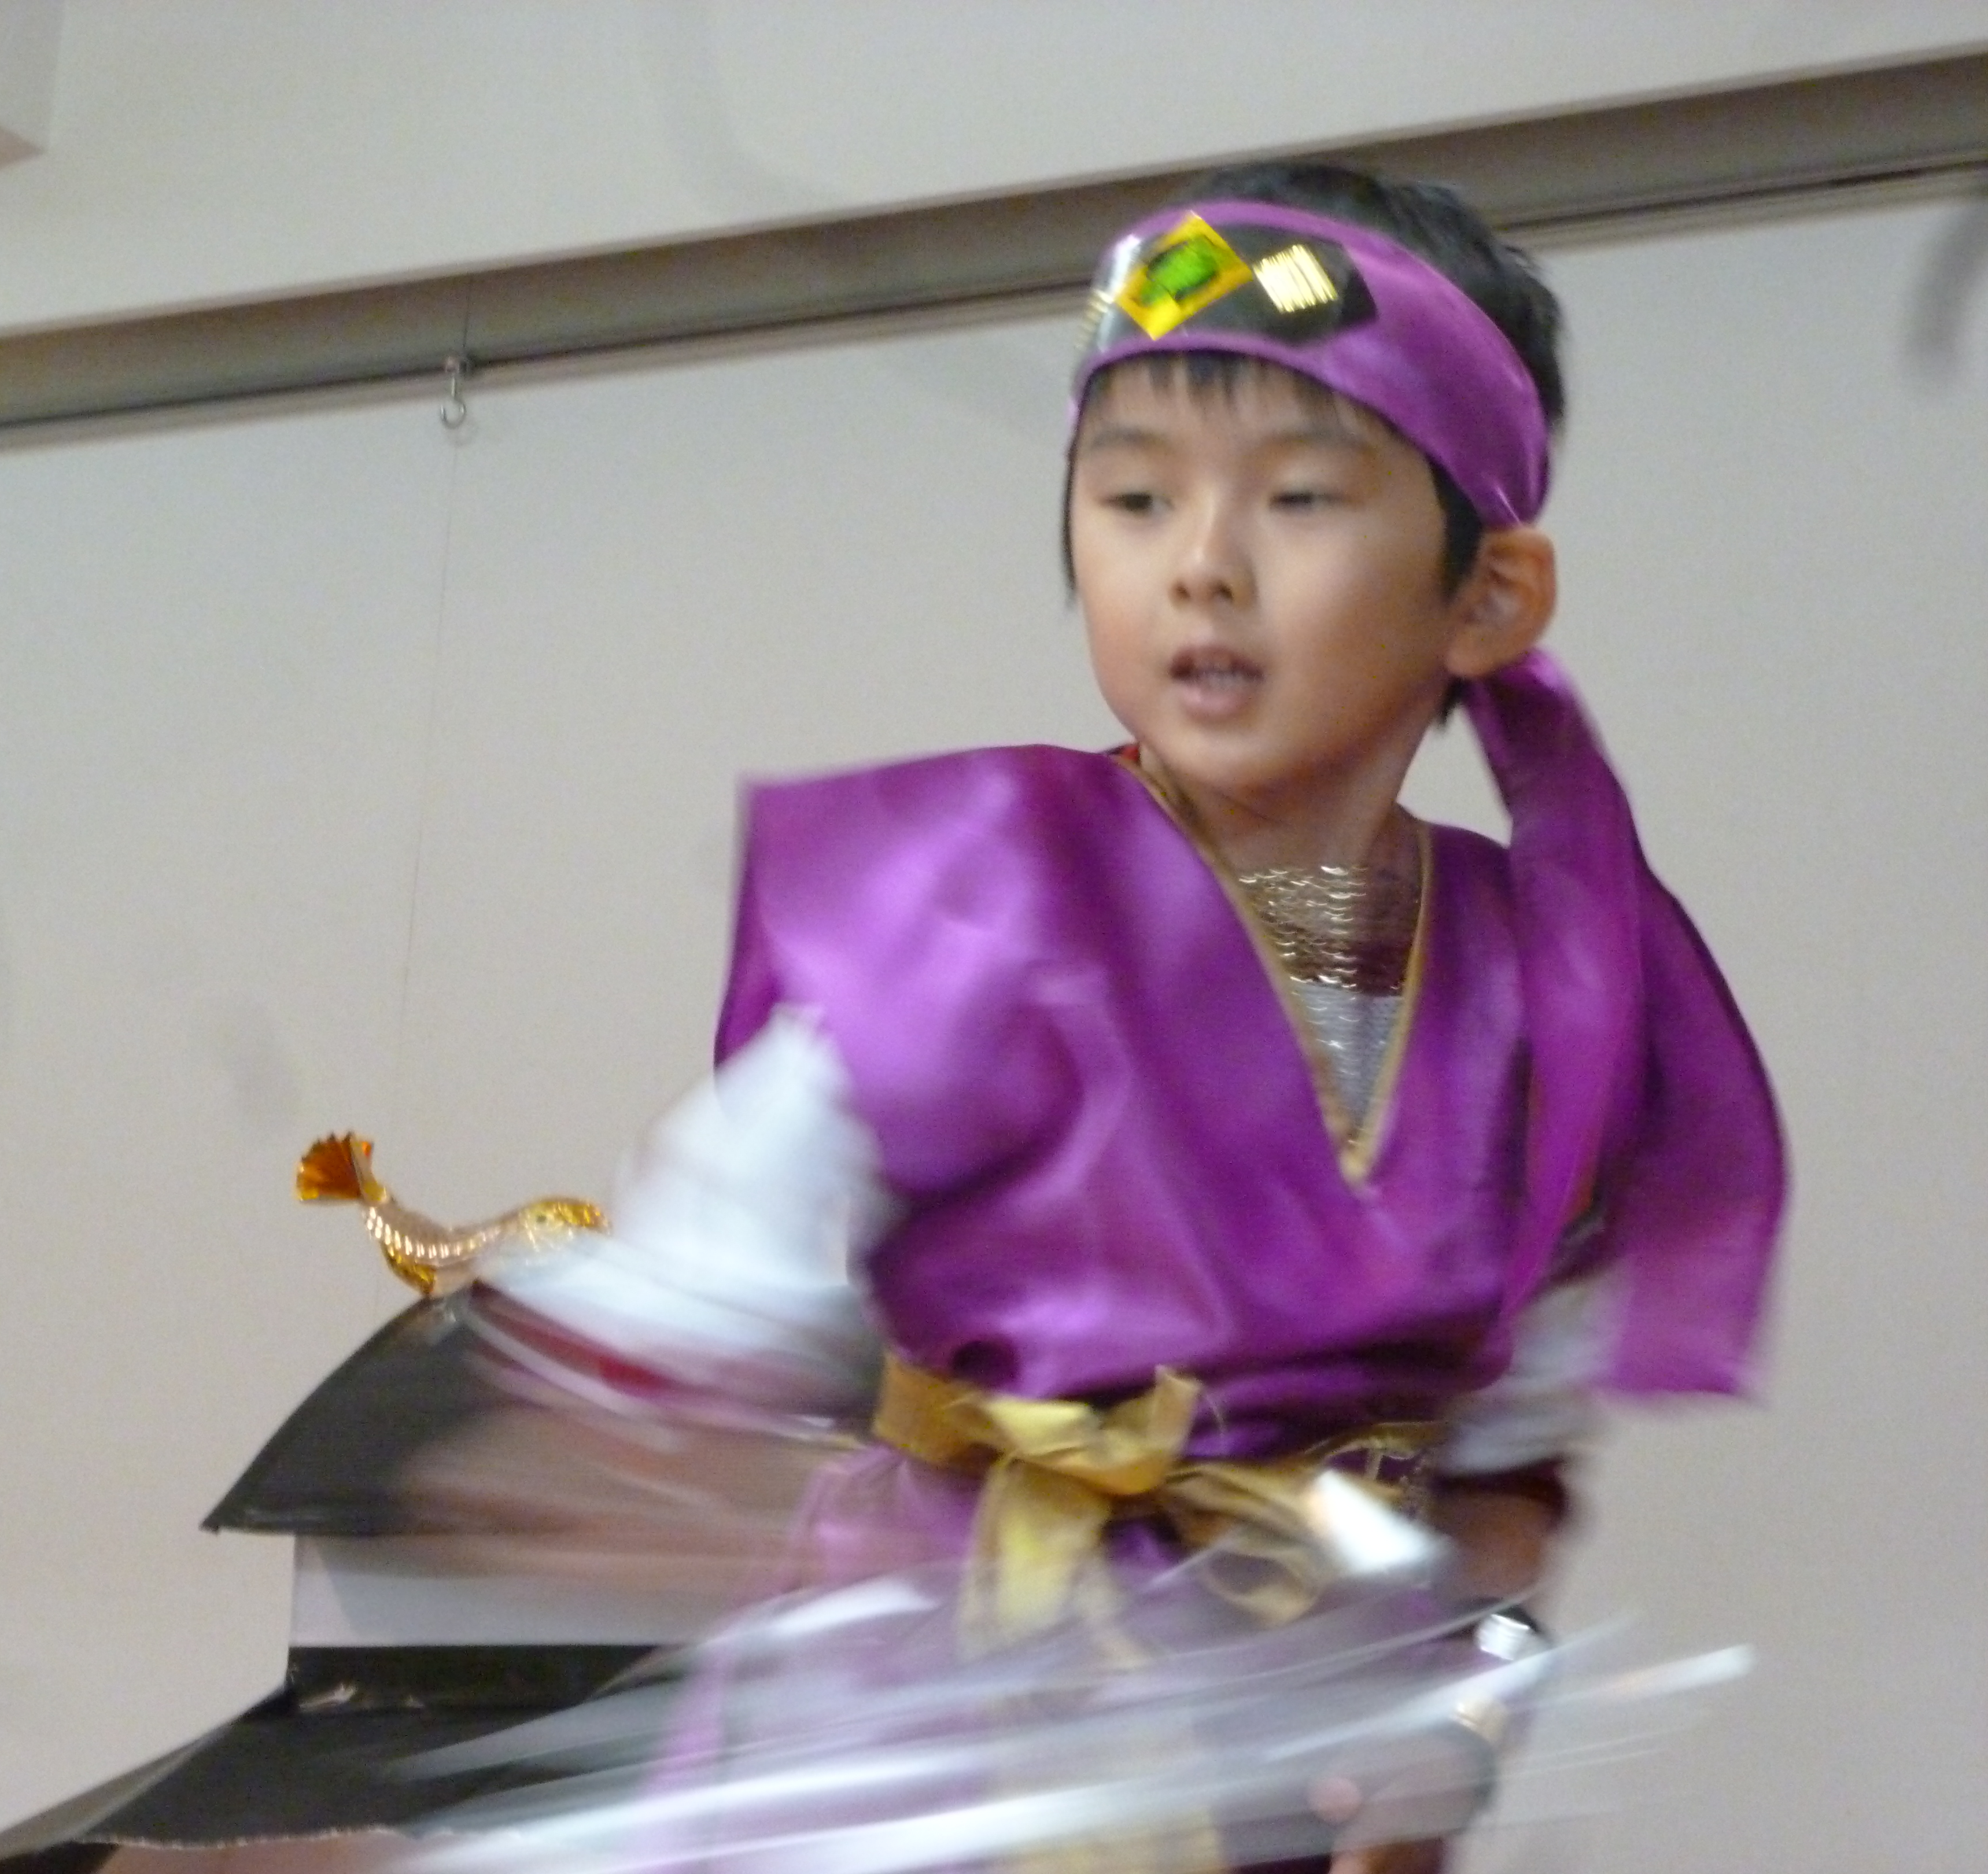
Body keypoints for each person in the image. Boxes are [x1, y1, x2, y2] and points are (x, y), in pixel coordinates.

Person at [382, 161, 1787, 1874]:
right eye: (1134, 498)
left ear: (1488, 593)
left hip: (1272, 1796)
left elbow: (1503, 1475)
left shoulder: (1554, 978)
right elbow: (640, 1390)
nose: (1201, 567)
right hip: (925, 1777)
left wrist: (1459, 1705)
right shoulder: (980, 897)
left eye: (1299, 497)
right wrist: (777, 1529)